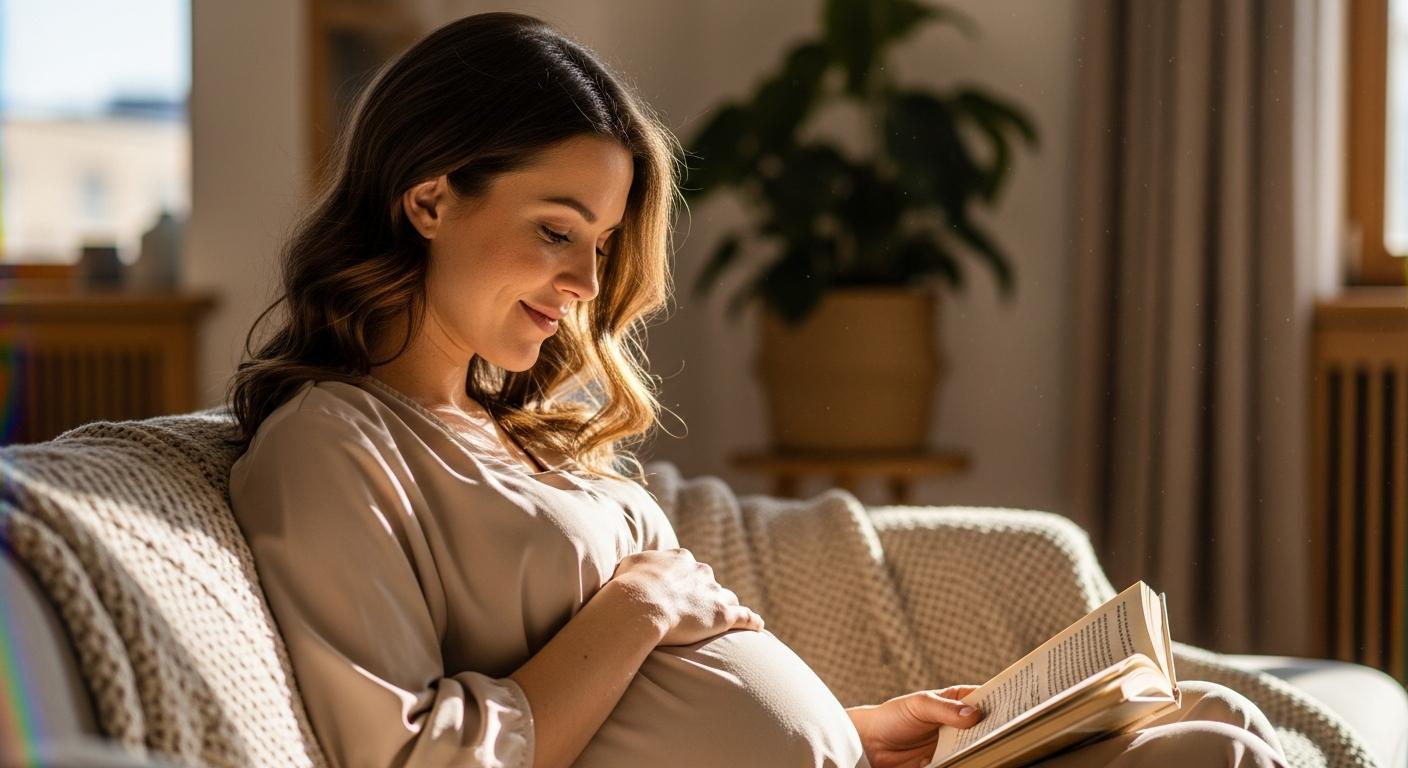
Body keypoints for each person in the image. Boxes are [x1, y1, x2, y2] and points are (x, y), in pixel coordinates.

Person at [226, 12, 1290, 768]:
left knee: (1214, 722)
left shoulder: (518, 435)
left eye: (600, 244)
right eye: (557, 230)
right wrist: (639, 604)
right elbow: (415, 759)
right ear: (427, 199)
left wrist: (864, 728)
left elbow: (660, 719)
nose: (589, 286)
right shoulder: (335, 447)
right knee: (1219, 757)